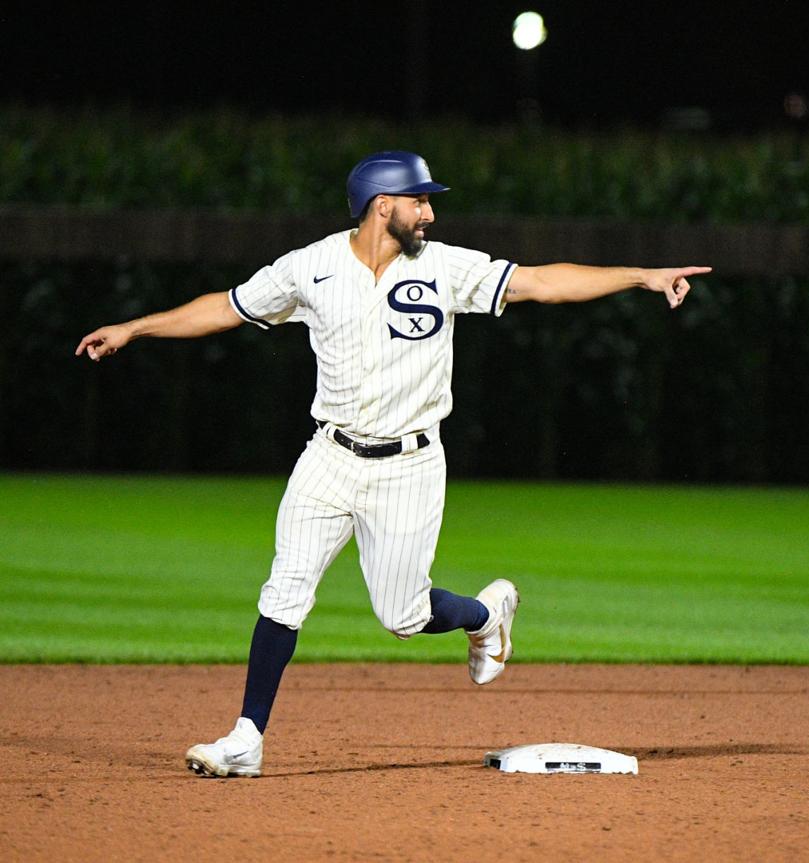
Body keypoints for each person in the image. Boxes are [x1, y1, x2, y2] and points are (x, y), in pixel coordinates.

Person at [76, 150, 711, 776]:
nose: (429, 212)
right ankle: (246, 738)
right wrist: (136, 328)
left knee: (403, 616)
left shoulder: (446, 268)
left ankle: (487, 616)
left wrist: (642, 276)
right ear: (384, 207)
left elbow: (541, 282)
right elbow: (226, 307)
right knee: (285, 589)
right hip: (328, 455)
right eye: (420, 199)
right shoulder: (311, 267)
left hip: (409, 464)